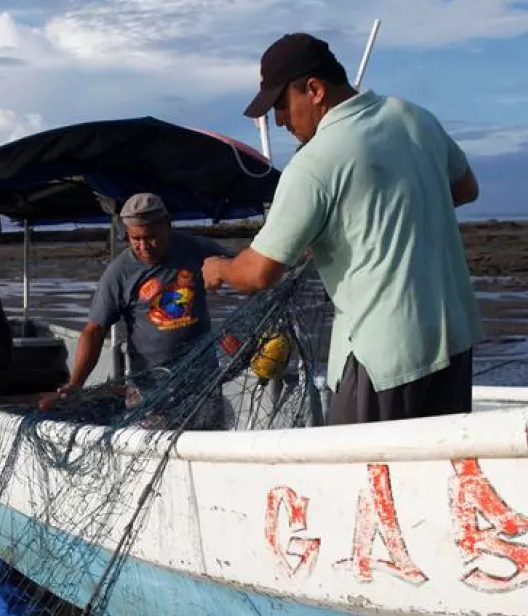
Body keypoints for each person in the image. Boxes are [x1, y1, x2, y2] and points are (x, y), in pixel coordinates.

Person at [201, 32, 484, 426]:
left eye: (281, 105)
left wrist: (219, 268)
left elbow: (258, 273)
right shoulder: (413, 116)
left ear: (314, 89)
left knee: (362, 481)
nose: (280, 120)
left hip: (383, 357)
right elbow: (466, 188)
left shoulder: (314, 162)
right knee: (437, 476)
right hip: (454, 340)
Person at [39, 192, 230, 422]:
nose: (143, 246)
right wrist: (75, 383)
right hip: (149, 389)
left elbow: (245, 271)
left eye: (150, 237)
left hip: (202, 381)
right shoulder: (119, 272)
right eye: (135, 239)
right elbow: (94, 330)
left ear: (167, 226)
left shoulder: (196, 250)